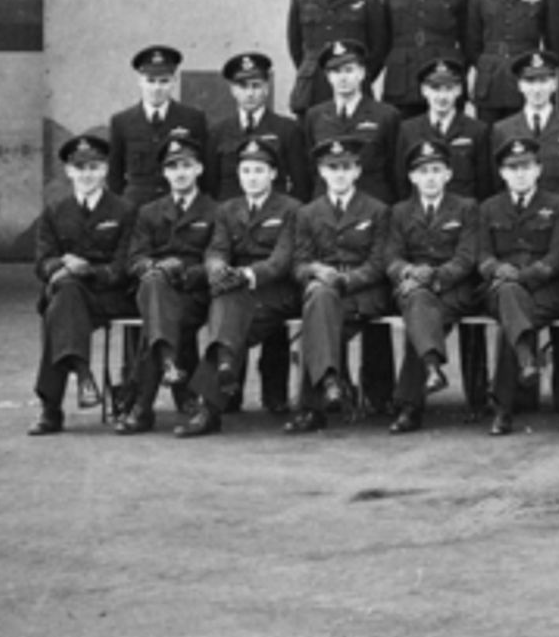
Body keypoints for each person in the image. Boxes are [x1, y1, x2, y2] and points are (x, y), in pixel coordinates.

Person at [187, 136, 300, 436]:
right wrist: (217, 268)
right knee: (230, 306)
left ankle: (208, 407)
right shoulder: (227, 209)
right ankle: (221, 373)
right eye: (247, 171)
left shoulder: (291, 209)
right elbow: (217, 248)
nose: (252, 177)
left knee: (227, 311)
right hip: (237, 290)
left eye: (259, 170)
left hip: (276, 290)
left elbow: (281, 261)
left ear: (273, 174)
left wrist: (246, 275)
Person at [28, 136, 137, 435]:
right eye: (80, 168)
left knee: (62, 304)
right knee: (66, 295)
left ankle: (53, 407)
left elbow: (124, 266)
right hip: (70, 292)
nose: (87, 174)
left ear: (105, 170)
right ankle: (82, 373)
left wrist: (87, 270)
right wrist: (60, 268)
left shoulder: (125, 210)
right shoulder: (55, 210)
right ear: (68, 171)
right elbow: (42, 261)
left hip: (108, 295)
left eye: (94, 167)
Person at [113, 134, 218, 435]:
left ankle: (142, 407)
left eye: (187, 165)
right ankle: (171, 372)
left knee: (160, 317)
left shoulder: (214, 211)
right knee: (155, 286)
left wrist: (183, 270)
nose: (180, 173)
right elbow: (134, 259)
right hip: (153, 290)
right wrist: (155, 268)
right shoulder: (149, 211)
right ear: (164, 173)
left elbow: (217, 257)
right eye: (173, 167)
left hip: (193, 294)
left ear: (199, 169)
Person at [286, 137, 392, 434]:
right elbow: (298, 264)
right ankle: (331, 382)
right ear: (321, 172)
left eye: (346, 167)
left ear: (358, 171)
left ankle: (314, 403)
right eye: (332, 168)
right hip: (324, 291)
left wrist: (346, 279)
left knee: (317, 312)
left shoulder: (377, 210)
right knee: (320, 301)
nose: (340, 174)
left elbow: (378, 264)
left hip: (363, 293)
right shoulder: (307, 213)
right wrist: (316, 270)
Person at [475, 136, 559, 436]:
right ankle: (525, 361)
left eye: (526, 166)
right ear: (502, 173)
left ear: (538, 170)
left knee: (511, 314)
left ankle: (504, 408)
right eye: (512, 168)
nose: (520, 173)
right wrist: (496, 269)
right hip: (499, 289)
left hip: (544, 290)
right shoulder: (489, 208)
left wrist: (525, 275)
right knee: (508, 296)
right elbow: (481, 254)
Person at [382, 138, 481, 436]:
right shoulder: (399, 212)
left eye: (437, 170)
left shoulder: (466, 208)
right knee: (418, 302)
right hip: (414, 285)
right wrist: (410, 271)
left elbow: (467, 257)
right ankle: (429, 370)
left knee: (419, 309)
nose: (430, 178)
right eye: (423, 172)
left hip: (454, 288)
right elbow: (391, 257)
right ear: (412, 177)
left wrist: (436, 276)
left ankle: (411, 403)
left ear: (448, 174)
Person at [301, 38, 402, 204]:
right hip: (327, 209)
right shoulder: (314, 116)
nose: (343, 77)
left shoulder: (387, 115)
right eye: (336, 71)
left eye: (349, 70)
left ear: (362, 73)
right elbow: (311, 169)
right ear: (328, 76)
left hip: (374, 204)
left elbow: (395, 170)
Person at [107, 45, 210, 207]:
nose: (157, 88)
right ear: (140, 81)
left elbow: (204, 169)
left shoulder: (193, 119)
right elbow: (114, 175)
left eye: (164, 81)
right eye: (151, 81)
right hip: (136, 208)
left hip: (178, 205)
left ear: (174, 81)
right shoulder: (121, 121)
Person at [209, 51, 307, 202]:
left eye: (256, 86)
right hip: (229, 218)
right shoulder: (218, 132)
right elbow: (210, 185)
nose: (250, 93)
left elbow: (301, 185)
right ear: (233, 90)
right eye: (242, 86)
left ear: (266, 88)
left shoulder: (287, 130)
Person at [489, 49, 559, 197]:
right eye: (530, 81)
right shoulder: (502, 130)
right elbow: (498, 185)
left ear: (555, 84)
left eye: (543, 81)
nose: (537, 89)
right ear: (520, 85)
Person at [395, 57, 492, 201]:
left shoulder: (477, 130)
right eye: (435, 89)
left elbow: (485, 184)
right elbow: (401, 181)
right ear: (424, 90)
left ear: (459, 90)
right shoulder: (408, 130)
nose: (442, 97)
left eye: (449, 89)